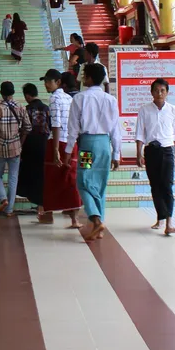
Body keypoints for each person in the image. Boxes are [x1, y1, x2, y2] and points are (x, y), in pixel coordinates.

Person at [66, 63, 121, 242]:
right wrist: (117, 154)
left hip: (88, 147)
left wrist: (68, 150)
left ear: (89, 78)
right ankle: (100, 225)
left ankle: (96, 220)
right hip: (105, 145)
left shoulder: (80, 98)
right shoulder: (110, 100)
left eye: (84, 75)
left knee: (83, 182)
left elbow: (73, 128)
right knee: (101, 185)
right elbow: (115, 129)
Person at [135, 78, 175, 236]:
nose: (159, 93)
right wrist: (139, 153)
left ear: (167, 92)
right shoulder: (144, 110)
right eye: (156, 90)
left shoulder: (173, 110)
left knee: (167, 186)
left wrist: (172, 150)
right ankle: (160, 217)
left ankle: (169, 222)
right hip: (151, 150)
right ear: (151, 92)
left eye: (163, 90)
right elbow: (140, 133)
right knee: (155, 186)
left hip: (167, 150)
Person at [42, 69, 81, 227]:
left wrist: (56, 149)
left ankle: (48, 214)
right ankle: (75, 218)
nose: (46, 84)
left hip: (57, 142)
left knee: (51, 180)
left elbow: (56, 124)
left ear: (57, 82)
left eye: (48, 81)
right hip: (72, 142)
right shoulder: (70, 99)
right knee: (71, 178)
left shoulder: (53, 99)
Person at [0, 82, 31, 216]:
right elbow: (28, 128)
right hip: (15, 148)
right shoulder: (21, 107)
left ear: (1, 93)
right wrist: (20, 141)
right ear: (13, 92)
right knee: (13, 178)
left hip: (1, 147)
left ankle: (3, 198)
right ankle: (9, 210)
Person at [16, 83, 49, 217]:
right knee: (41, 174)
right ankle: (41, 203)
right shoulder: (47, 108)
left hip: (29, 144)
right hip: (43, 144)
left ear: (27, 96)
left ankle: (35, 200)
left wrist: (20, 146)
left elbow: (23, 129)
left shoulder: (26, 109)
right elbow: (51, 127)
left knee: (29, 173)